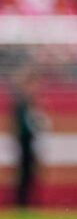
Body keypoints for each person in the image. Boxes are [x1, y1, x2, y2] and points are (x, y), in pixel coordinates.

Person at [9, 71, 43, 209]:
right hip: (24, 142)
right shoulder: (22, 103)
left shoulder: (29, 102)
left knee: (29, 174)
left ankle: (26, 203)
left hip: (29, 142)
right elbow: (21, 125)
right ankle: (22, 204)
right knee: (24, 174)